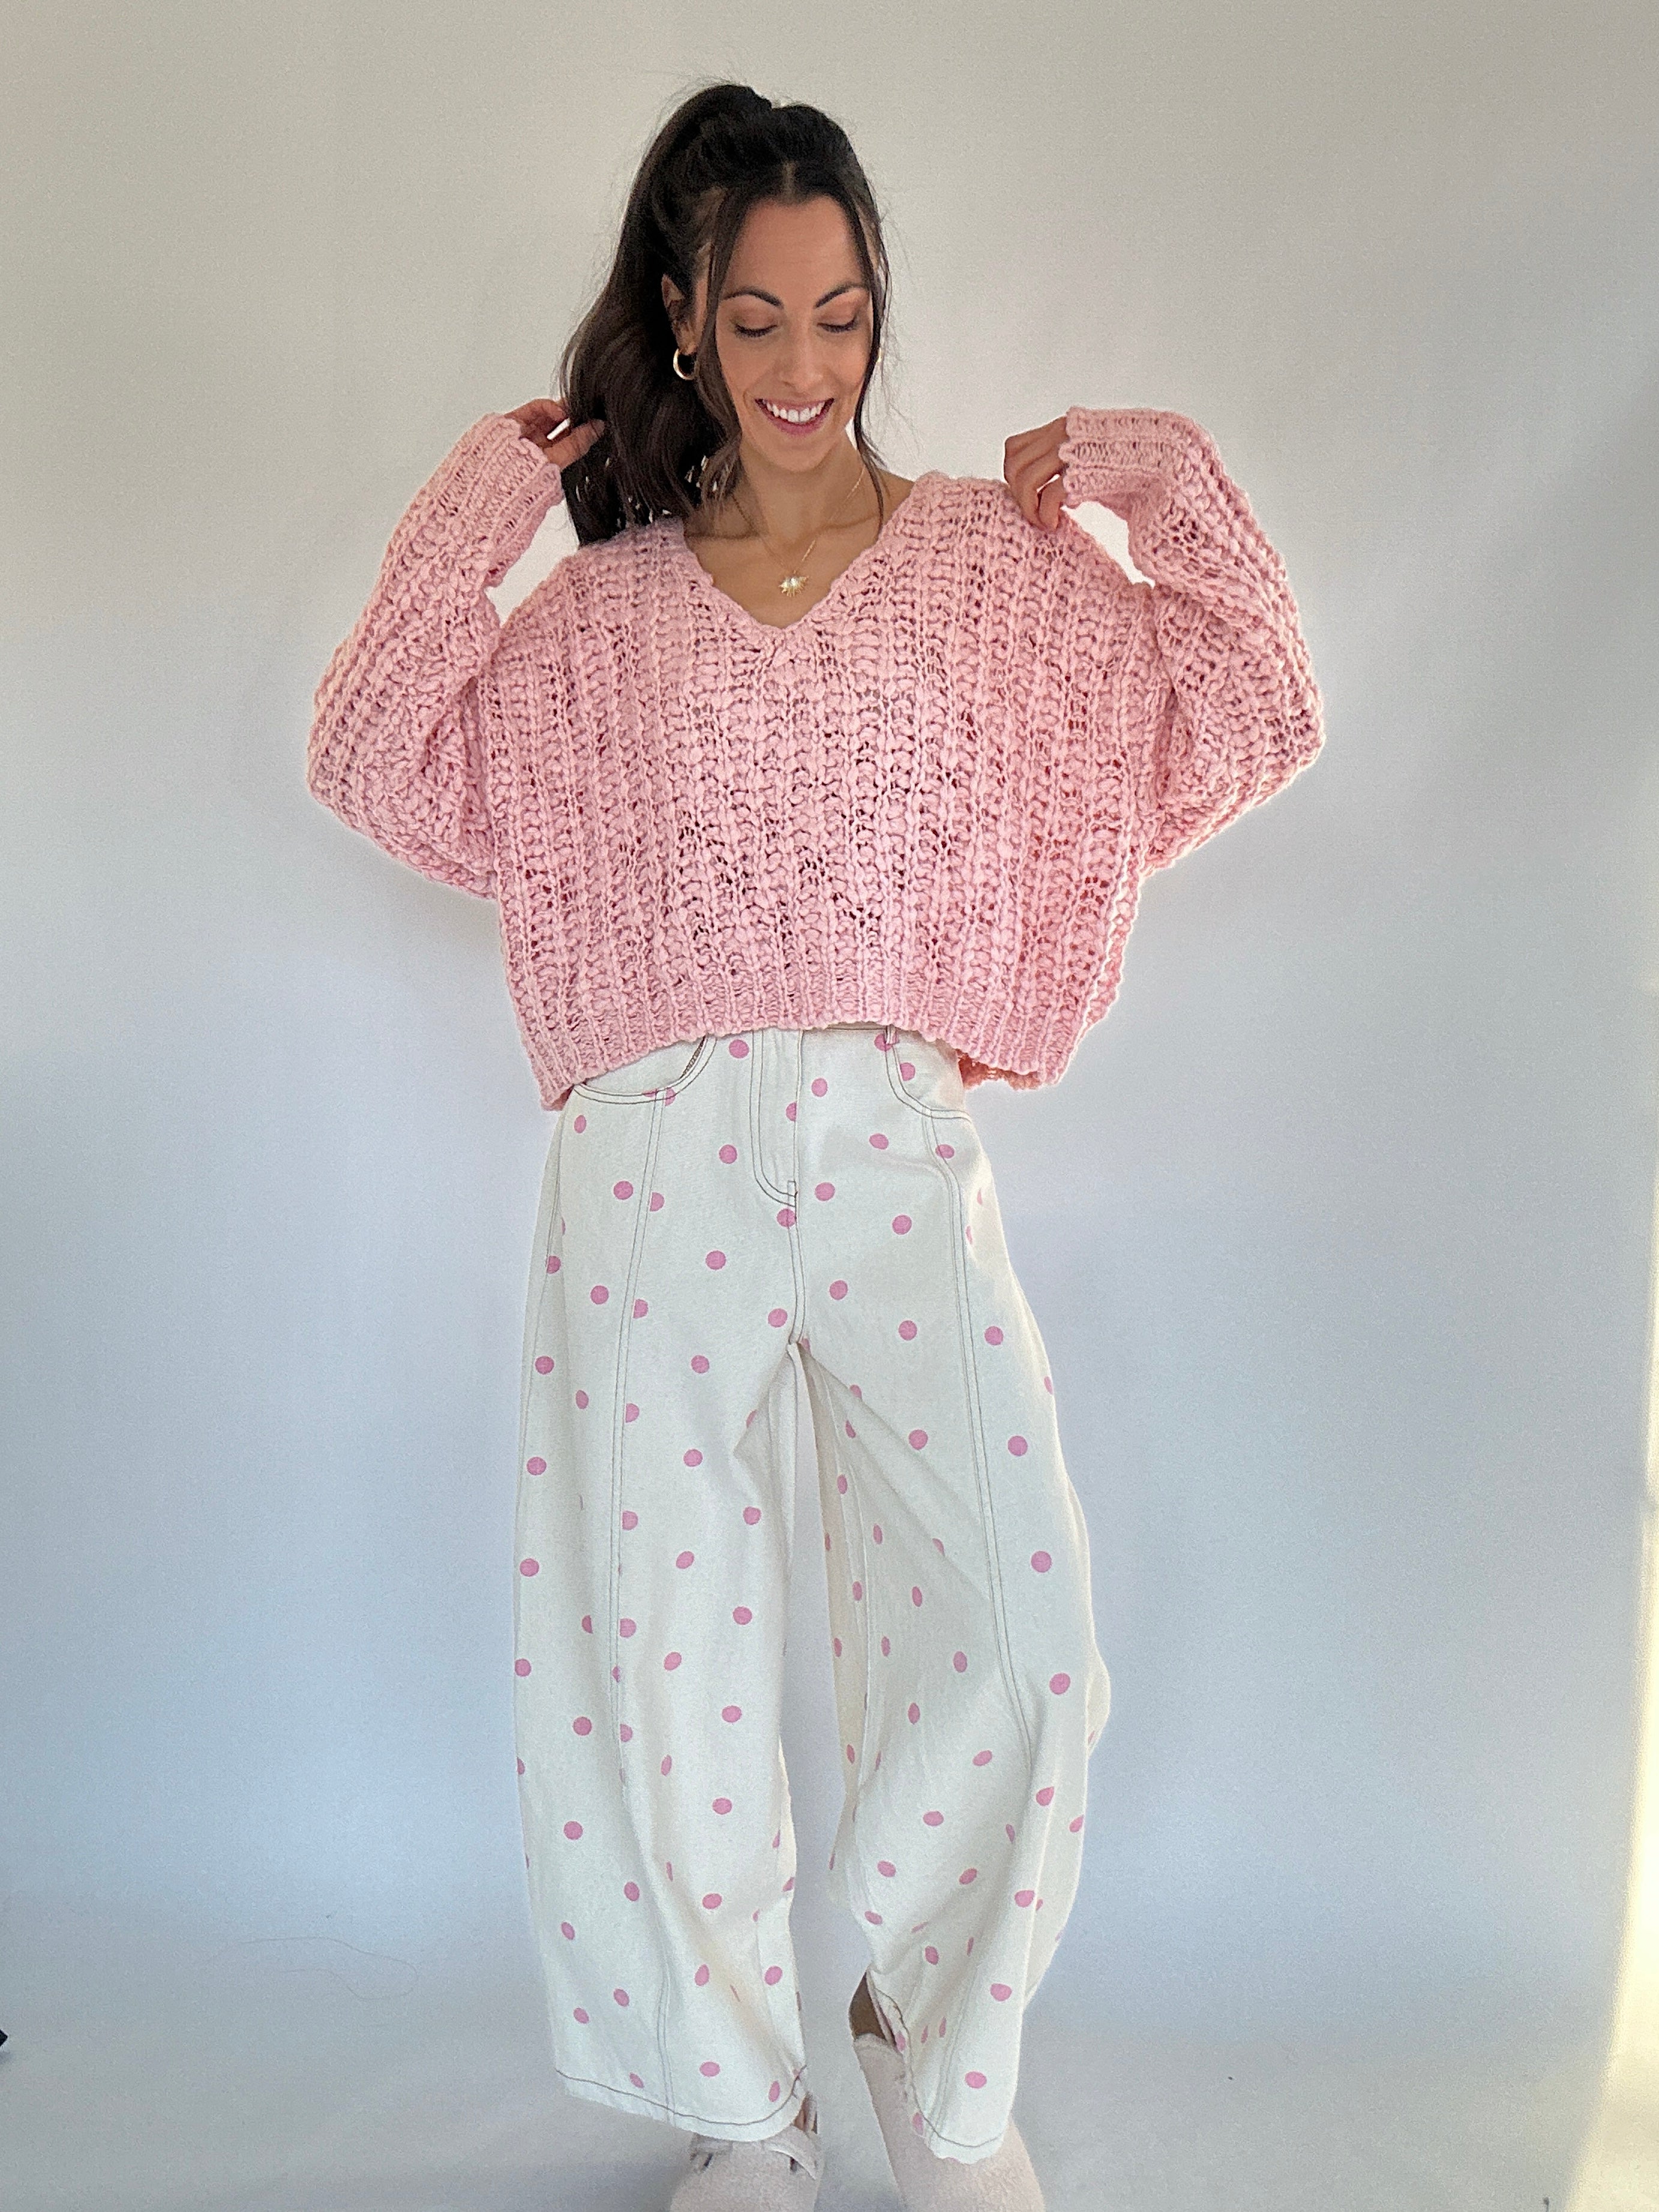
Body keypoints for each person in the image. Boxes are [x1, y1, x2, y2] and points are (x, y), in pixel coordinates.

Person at [307, 79, 1325, 2212]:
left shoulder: (989, 574)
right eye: (755, 317)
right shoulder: (595, 618)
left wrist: (1150, 472)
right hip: (648, 1159)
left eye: (842, 315)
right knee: (661, 1660)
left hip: (889, 1147)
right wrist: (477, 512)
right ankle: (741, 2117)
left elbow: (1250, 704)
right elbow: (373, 753)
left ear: (881, 311)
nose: (804, 366)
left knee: (1027, 1646)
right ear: (683, 321)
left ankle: (929, 2053)